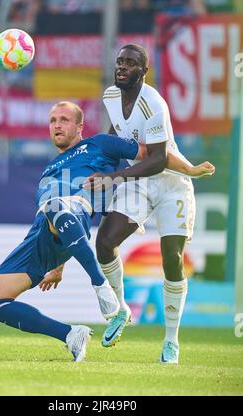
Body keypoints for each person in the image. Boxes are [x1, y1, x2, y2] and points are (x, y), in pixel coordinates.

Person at [0, 100, 212, 363]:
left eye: (64, 120)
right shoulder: (50, 167)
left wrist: (190, 170)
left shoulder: (99, 144)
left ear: (80, 126)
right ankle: (70, 334)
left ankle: (101, 286)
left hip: (74, 210)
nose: (57, 124)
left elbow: (156, 155)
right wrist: (58, 266)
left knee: (57, 204)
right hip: (41, 232)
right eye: (53, 120)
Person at [84, 44, 215, 364]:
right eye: (119, 61)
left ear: (144, 72)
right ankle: (122, 309)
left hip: (170, 184)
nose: (122, 67)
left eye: (130, 63)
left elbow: (157, 161)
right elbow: (118, 134)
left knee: (171, 257)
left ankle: (171, 341)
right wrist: (98, 162)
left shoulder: (154, 104)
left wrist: (114, 178)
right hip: (138, 181)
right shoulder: (111, 96)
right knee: (104, 241)